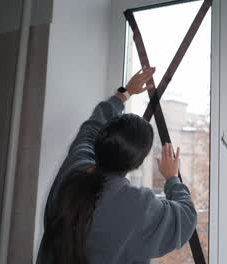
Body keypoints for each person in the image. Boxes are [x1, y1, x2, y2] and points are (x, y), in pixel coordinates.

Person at [36, 66, 197, 264]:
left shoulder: (75, 167)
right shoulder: (136, 206)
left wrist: (125, 92)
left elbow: (93, 124)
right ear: (137, 163)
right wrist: (172, 179)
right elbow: (186, 218)